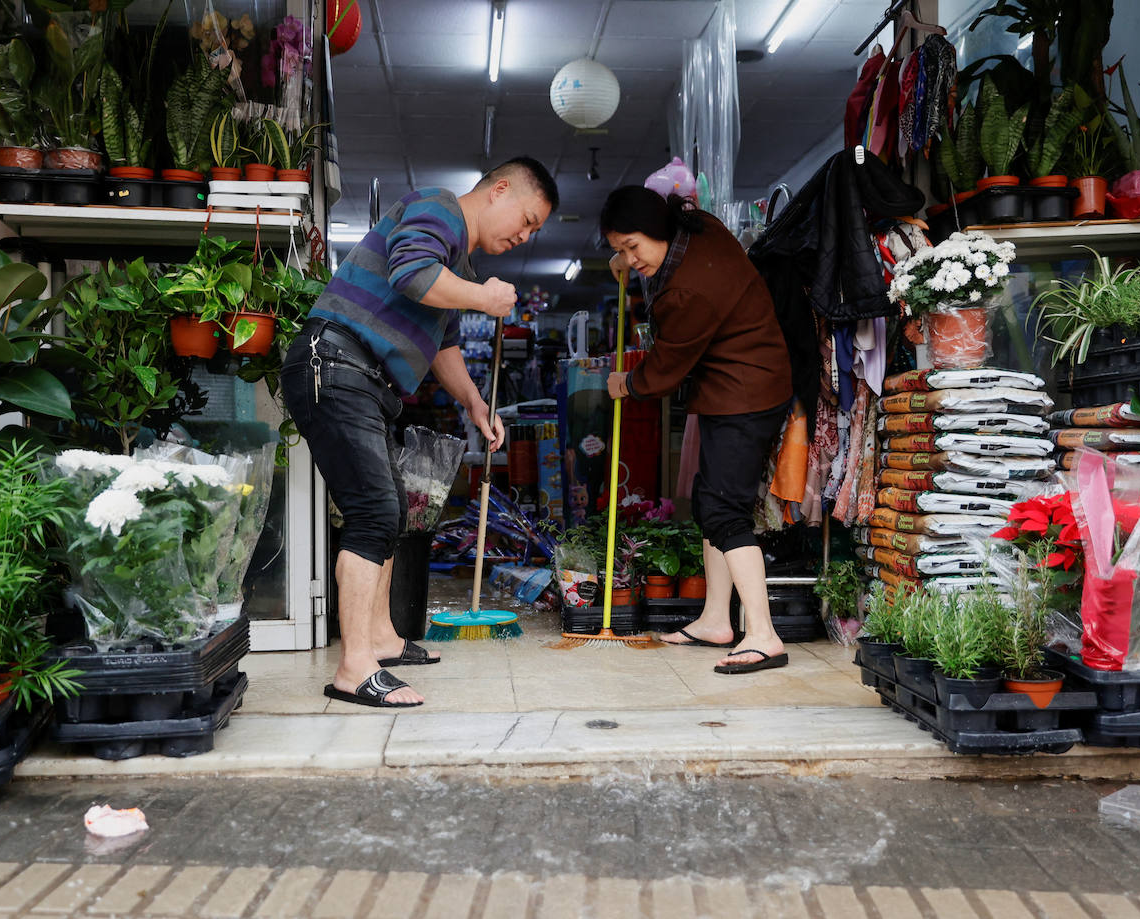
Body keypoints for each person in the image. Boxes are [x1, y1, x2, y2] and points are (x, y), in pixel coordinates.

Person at [282, 157, 559, 708]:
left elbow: (444, 345)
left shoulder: (457, 262)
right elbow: (410, 272)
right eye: (526, 220)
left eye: (534, 232)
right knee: (374, 512)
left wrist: (475, 401)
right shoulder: (438, 207)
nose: (524, 236)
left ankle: (381, 639)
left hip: (365, 379)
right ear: (499, 190)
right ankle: (354, 667)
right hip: (337, 365)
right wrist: (485, 299)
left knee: (390, 511)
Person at [600, 185, 793, 675]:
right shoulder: (696, 226)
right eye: (619, 249)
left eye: (632, 247)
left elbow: (664, 371)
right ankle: (714, 620)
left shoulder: (687, 291)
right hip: (742, 381)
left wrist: (626, 382)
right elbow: (660, 274)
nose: (627, 258)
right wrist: (630, 262)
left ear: (657, 230)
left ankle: (763, 635)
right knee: (711, 499)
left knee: (724, 510)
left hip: (744, 392)